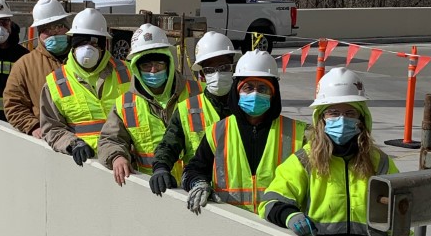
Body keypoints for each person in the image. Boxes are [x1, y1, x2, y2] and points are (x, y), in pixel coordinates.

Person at [259, 67, 408, 236]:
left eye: (350, 113)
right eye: (333, 113)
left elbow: (401, 214)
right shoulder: (305, 160)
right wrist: (290, 216)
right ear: (321, 119)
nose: (342, 119)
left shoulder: (380, 163)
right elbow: (270, 202)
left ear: (362, 119)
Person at [182, 48, 305, 214]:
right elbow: (194, 169)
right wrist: (198, 183)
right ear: (237, 92)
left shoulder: (299, 134)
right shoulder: (217, 132)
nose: (255, 94)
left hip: (278, 226)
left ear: (273, 94)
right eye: (248, 87)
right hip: (232, 224)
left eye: (263, 88)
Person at [98, 24, 196, 186]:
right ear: (136, 67)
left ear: (169, 63)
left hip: (195, 187)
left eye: (159, 63)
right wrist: (117, 156)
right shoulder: (125, 104)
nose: (153, 70)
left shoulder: (196, 92)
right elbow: (109, 140)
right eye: (146, 65)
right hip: (152, 189)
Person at [149, 30, 237, 196]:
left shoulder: (249, 106)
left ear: (233, 67)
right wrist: (160, 167)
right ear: (202, 74)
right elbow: (169, 145)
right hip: (200, 193)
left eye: (224, 67)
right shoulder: (186, 109)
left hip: (241, 198)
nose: (217, 74)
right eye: (210, 70)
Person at [39, 7, 131, 163]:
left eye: (94, 43)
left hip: (124, 163)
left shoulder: (128, 73)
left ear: (103, 45)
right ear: (73, 44)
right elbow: (51, 128)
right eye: (82, 42)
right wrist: (73, 143)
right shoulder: (55, 83)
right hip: (87, 166)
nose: (88, 49)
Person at [4, 0, 72, 137]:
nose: (54, 33)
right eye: (47, 29)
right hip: (48, 140)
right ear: (39, 33)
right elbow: (13, 104)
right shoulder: (24, 66)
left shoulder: (83, 59)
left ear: (67, 27)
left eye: (58, 26)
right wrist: (32, 126)